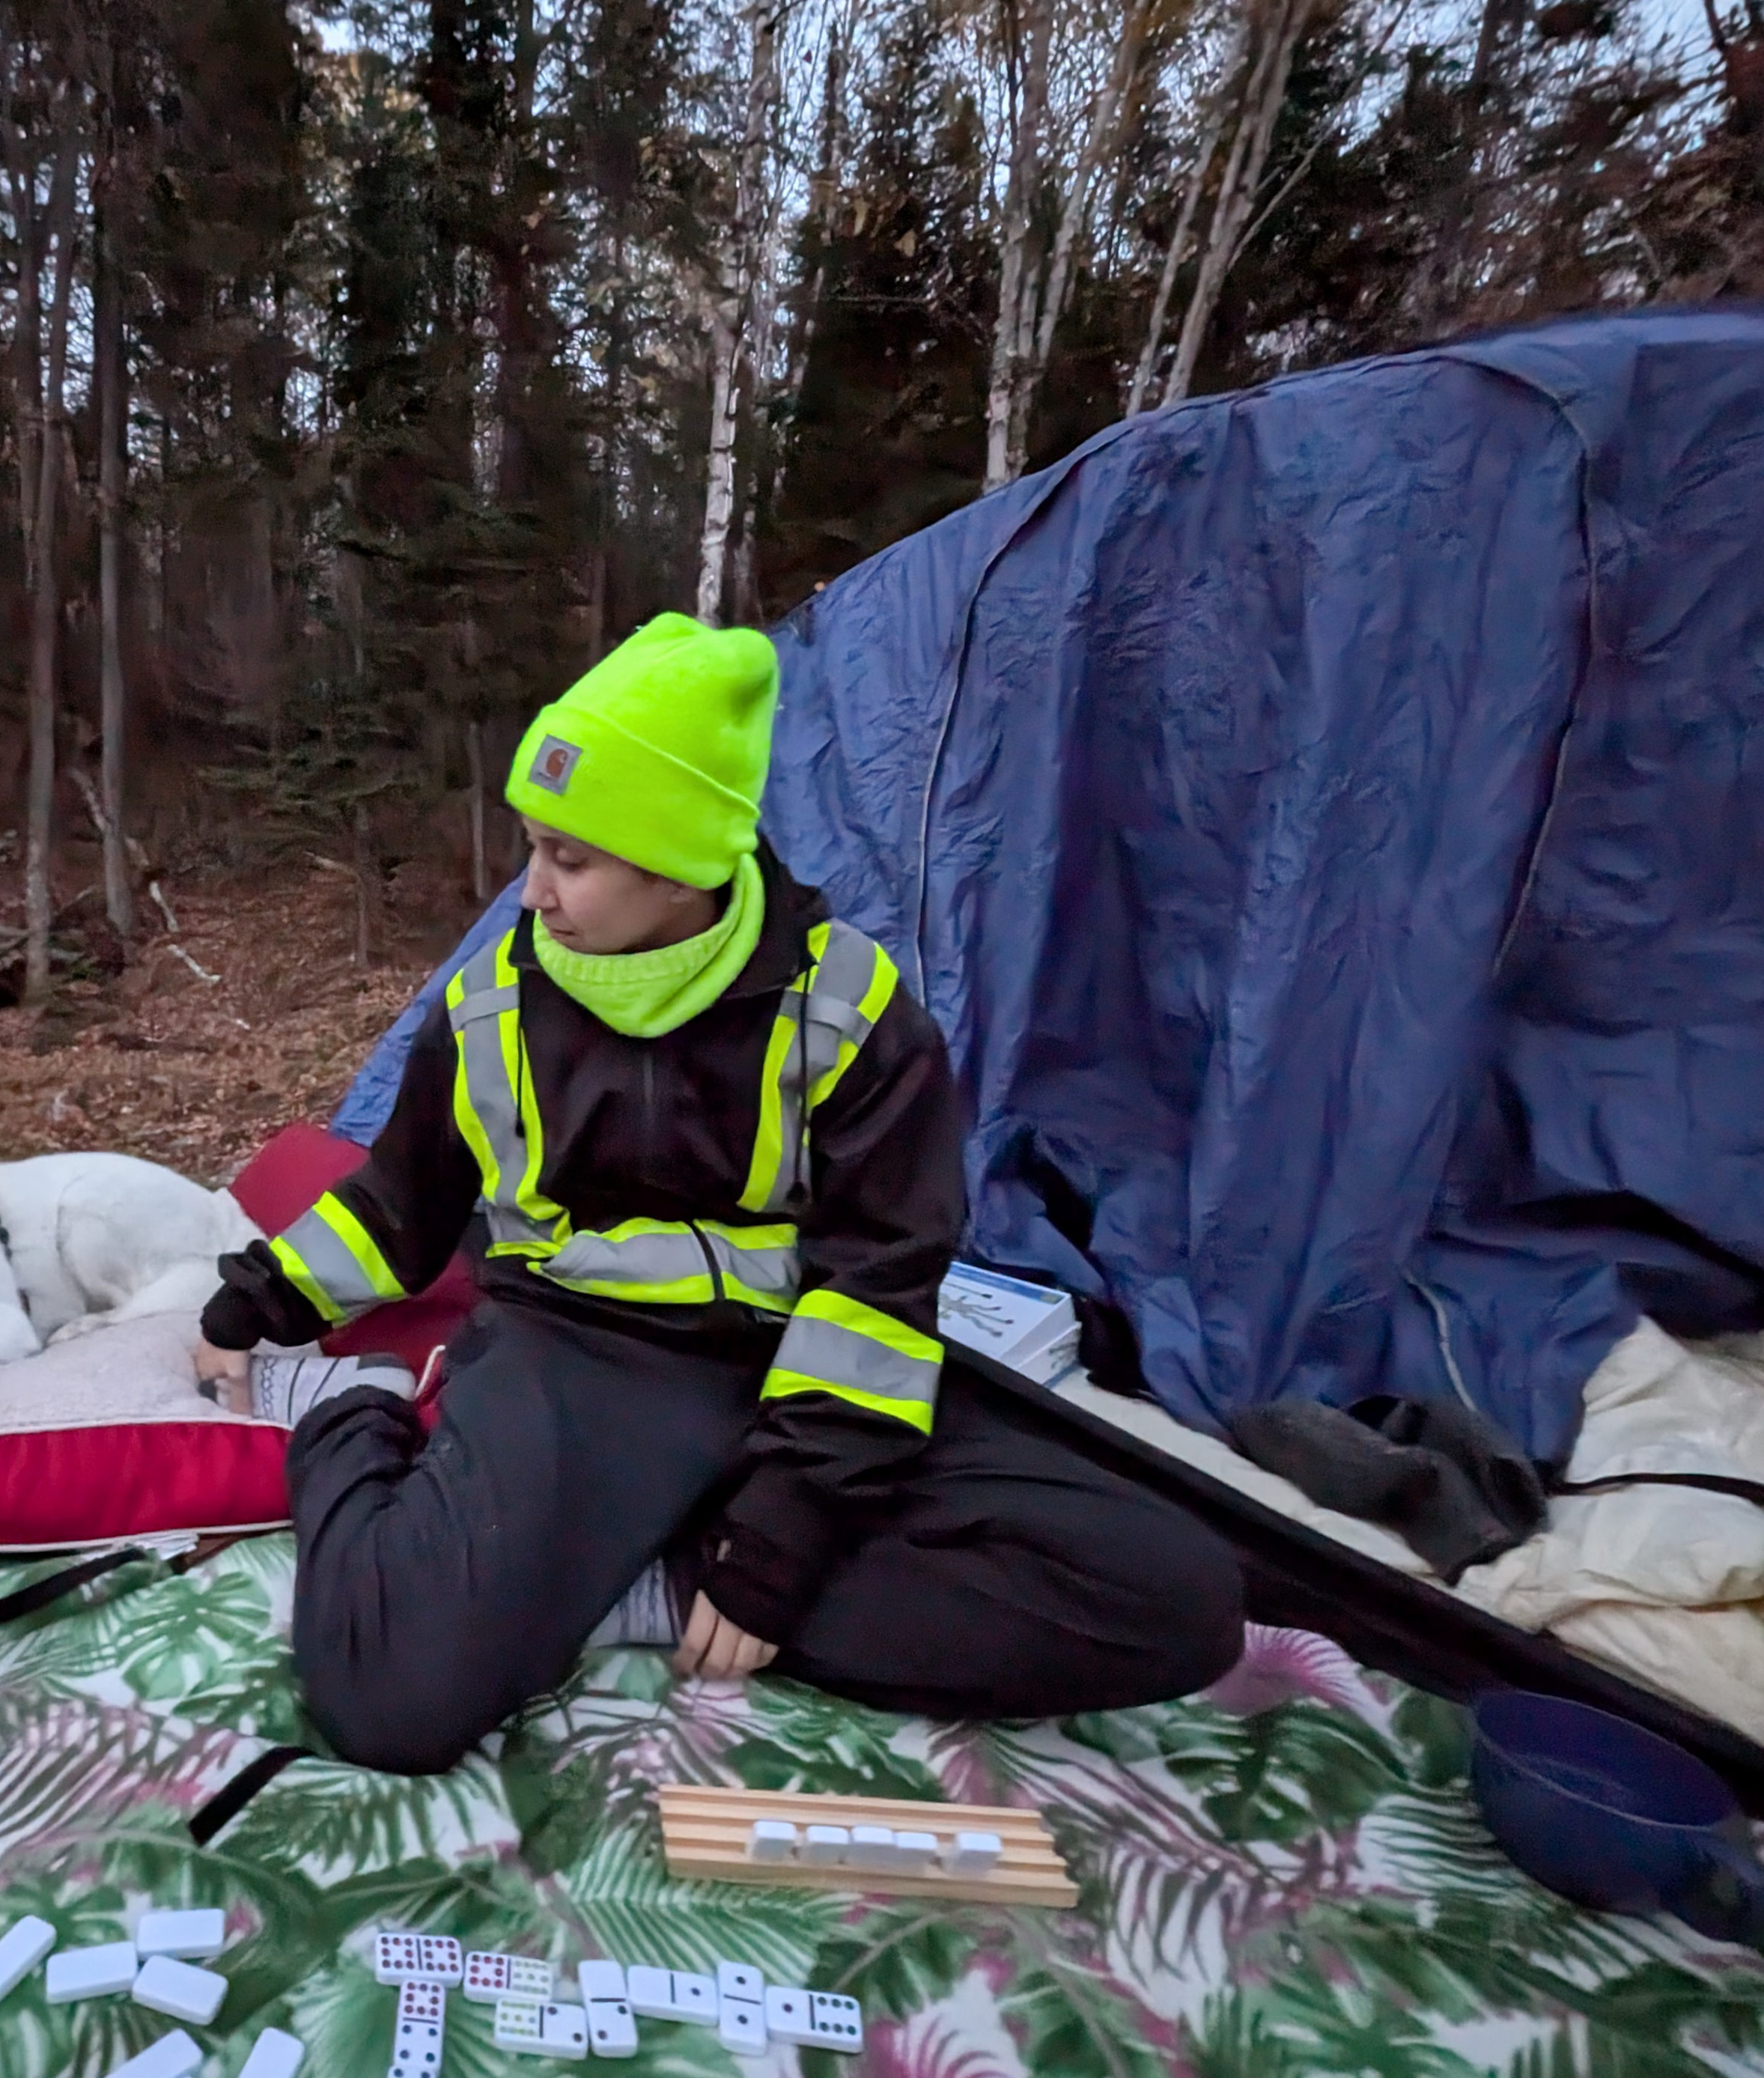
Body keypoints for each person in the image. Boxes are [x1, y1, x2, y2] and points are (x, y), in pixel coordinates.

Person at [195, 614, 1244, 1775]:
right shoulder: (487, 1004)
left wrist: (786, 1528)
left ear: (682, 861)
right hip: (577, 1366)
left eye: (571, 859)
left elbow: (879, 1280)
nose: (531, 895)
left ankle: (662, 1569)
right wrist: (257, 1304)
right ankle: (357, 1429)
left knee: (1176, 1600)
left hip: (789, 1376)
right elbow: (400, 1206)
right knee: (387, 1701)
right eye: (533, 849)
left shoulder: (850, 1009)